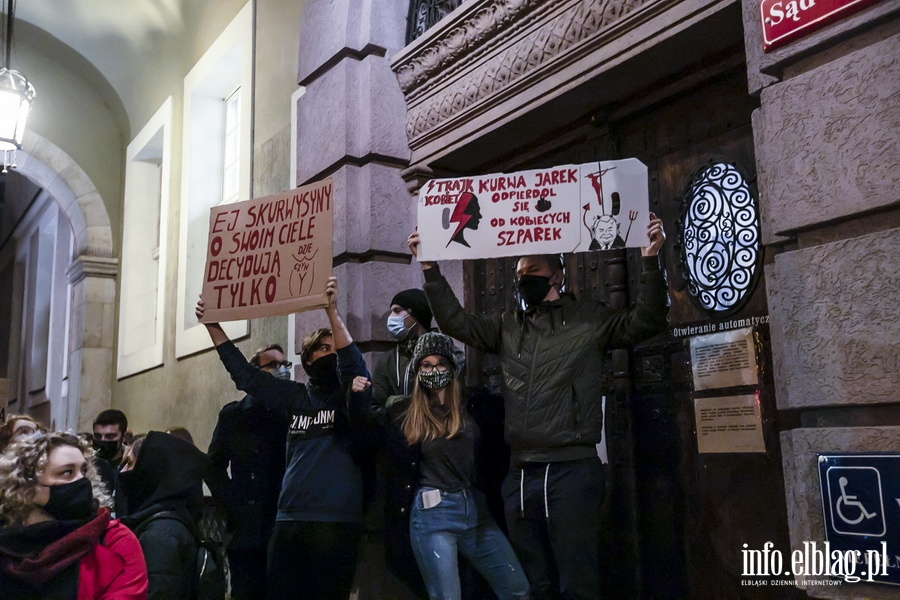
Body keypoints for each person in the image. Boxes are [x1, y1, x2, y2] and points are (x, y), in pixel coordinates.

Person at [408, 212, 669, 600]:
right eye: (518, 272)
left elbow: (646, 320)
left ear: (557, 275)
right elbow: (457, 322)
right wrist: (429, 267)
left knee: (577, 579)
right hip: (522, 472)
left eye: (531, 269)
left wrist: (650, 259)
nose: (521, 277)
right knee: (534, 582)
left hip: (571, 469)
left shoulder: (589, 318)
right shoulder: (509, 325)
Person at [196, 276, 369, 600]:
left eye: (333, 347)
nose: (329, 352)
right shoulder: (296, 398)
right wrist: (213, 327)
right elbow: (246, 377)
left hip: (334, 523)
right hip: (289, 522)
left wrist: (331, 310)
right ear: (307, 360)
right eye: (321, 348)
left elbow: (351, 361)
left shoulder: (350, 396)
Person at [351, 332, 529, 600]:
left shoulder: (474, 405)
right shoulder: (404, 411)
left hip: (475, 511)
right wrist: (357, 399)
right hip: (433, 512)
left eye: (440, 363)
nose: (434, 370)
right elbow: (366, 435)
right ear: (417, 371)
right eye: (426, 365)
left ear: (452, 366)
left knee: (517, 589)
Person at [0, 431, 148, 599]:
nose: (82, 481)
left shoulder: (113, 538)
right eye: (67, 472)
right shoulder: (6, 540)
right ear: (28, 485)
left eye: (84, 471)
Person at [206, 345, 289, 600]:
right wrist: (234, 502)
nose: (282, 370)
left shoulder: (291, 410)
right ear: (255, 371)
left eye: (285, 364)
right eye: (274, 365)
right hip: (247, 529)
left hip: (282, 522)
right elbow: (213, 466)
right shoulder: (234, 415)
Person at [119, 431, 210, 600]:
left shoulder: (160, 533)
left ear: (150, 471)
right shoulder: (169, 520)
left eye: (130, 464)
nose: (123, 471)